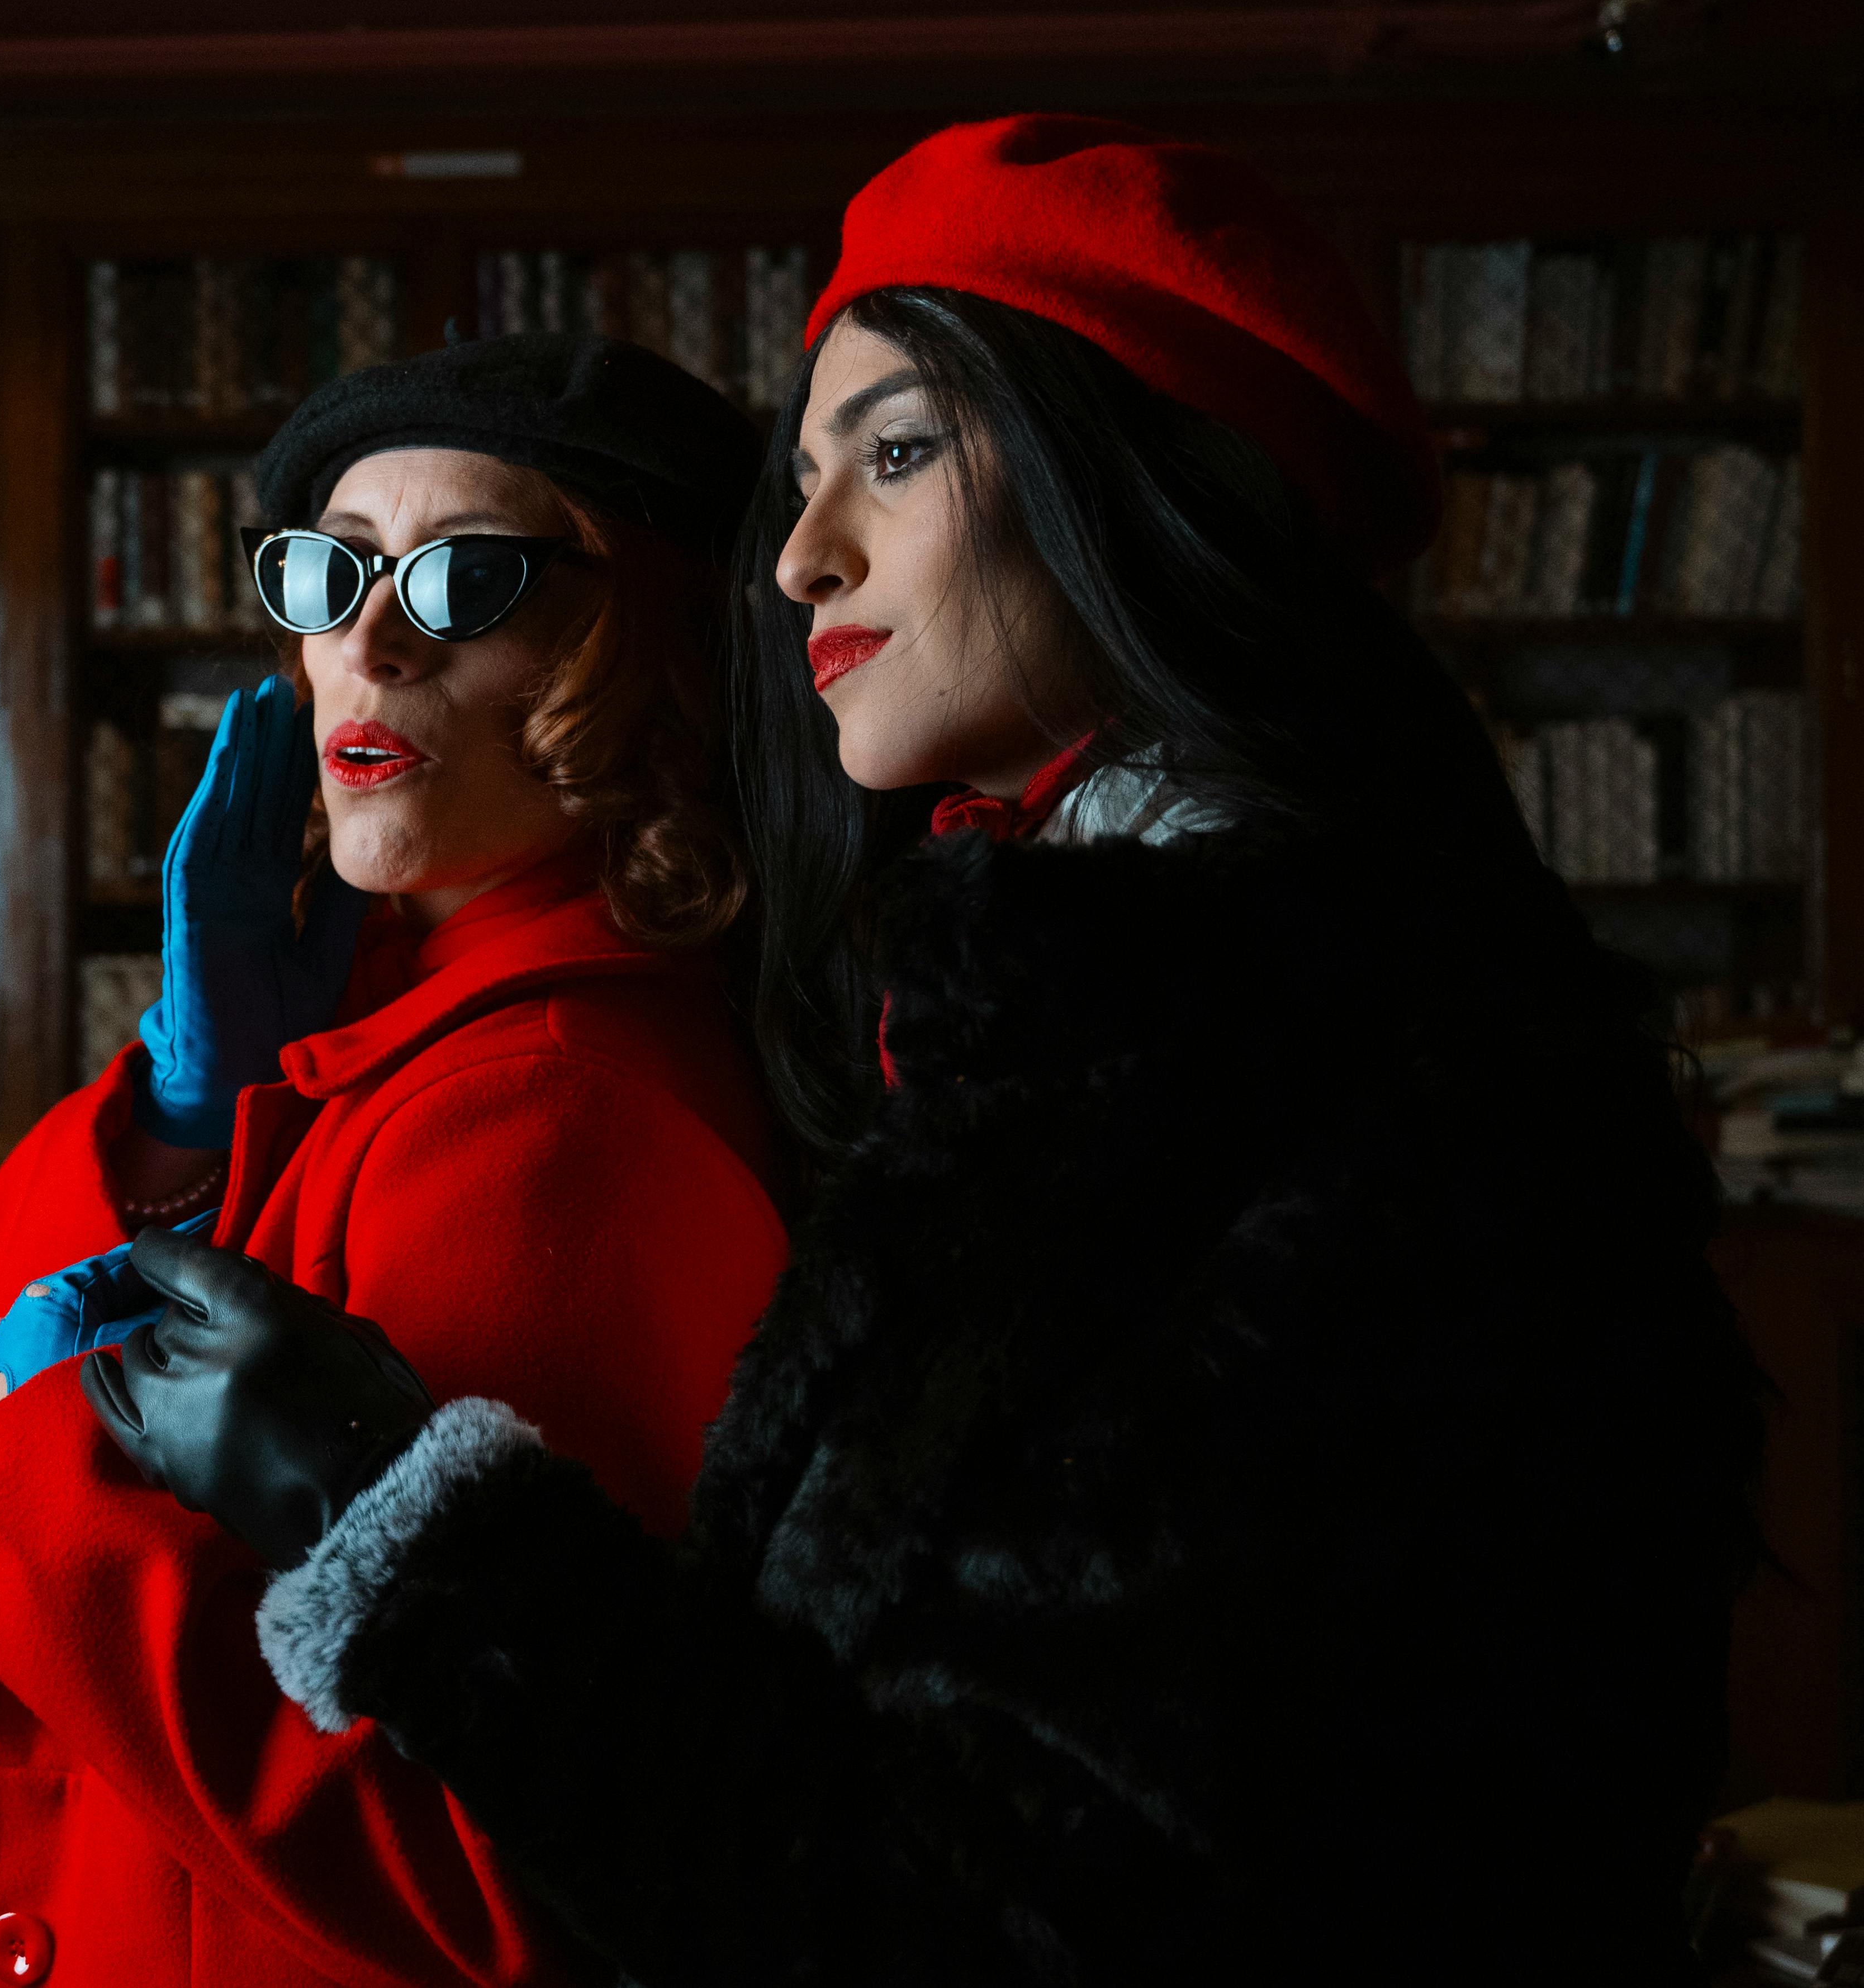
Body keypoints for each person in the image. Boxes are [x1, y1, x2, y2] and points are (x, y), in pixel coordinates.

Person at [85, 115, 1765, 1985]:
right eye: (807, 476)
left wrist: (401, 1522)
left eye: (892, 453)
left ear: (1132, 480)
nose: (800, 557)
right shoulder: (1066, 1006)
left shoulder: (1342, 1087)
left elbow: (981, 1912)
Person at [0, 333, 793, 1987]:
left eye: (464, 581)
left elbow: (501, 1883)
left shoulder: (553, 1117)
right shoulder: (392, 1016)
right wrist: (187, 1100)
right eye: (329, 573)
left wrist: (50, 1465)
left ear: (647, 643)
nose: (365, 643)